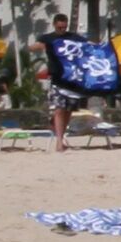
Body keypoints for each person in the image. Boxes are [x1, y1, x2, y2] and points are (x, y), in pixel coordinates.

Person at [33, 14, 86, 152]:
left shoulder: (73, 37)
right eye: (59, 27)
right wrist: (36, 47)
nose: (62, 29)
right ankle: (59, 143)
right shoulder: (48, 38)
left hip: (72, 79)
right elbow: (34, 46)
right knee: (58, 109)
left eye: (64, 27)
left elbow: (87, 45)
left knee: (68, 111)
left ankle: (59, 135)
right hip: (56, 78)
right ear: (54, 25)